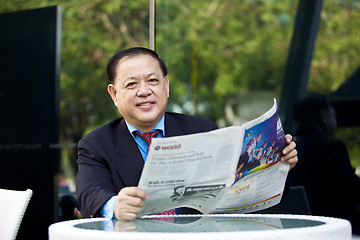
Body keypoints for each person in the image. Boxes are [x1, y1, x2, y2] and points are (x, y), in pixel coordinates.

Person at [76, 47, 298, 221]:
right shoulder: (96, 144)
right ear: (114, 94)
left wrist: (278, 166)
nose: (144, 91)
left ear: (166, 86)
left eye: (153, 81)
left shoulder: (204, 130)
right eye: (131, 84)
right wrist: (114, 205)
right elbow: (89, 194)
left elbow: (241, 187)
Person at [287, 92, 360, 234]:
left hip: (297, 231)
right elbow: (353, 190)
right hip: (337, 229)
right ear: (324, 115)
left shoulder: (287, 152)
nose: (336, 121)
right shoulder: (332, 148)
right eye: (333, 115)